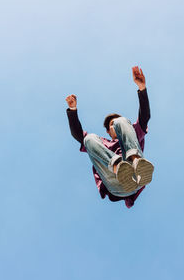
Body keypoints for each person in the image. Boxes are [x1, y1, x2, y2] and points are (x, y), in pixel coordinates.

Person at [65, 66, 154, 208]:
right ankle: (118, 167)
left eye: (116, 125)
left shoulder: (133, 133)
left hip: (137, 178)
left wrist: (142, 88)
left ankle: (136, 163)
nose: (115, 126)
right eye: (112, 125)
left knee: (122, 121)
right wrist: (73, 110)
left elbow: (144, 117)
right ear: (108, 131)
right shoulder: (102, 144)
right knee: (89, 139)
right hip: (116, 184)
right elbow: (77, 134)